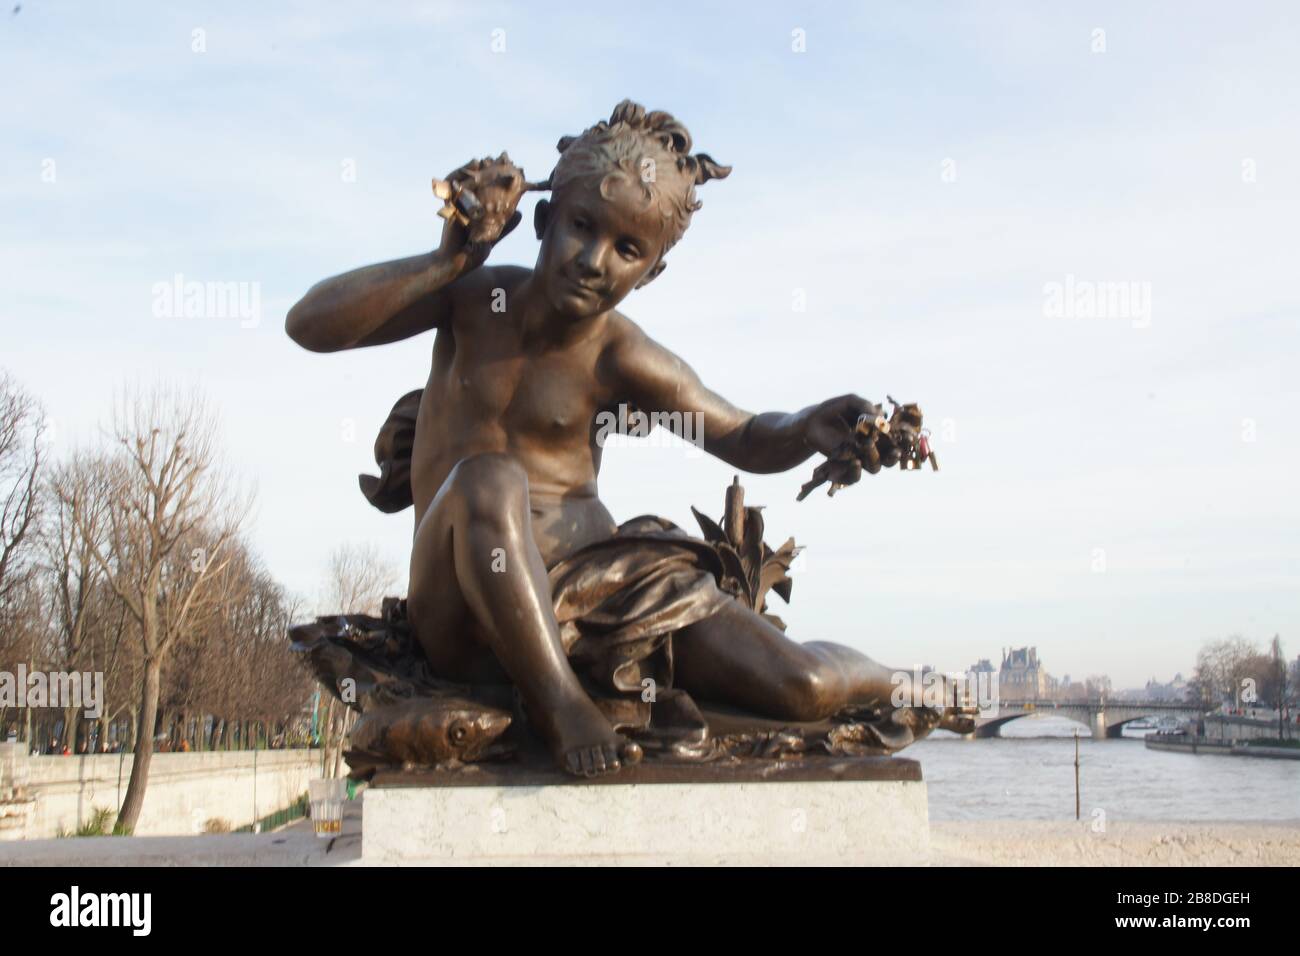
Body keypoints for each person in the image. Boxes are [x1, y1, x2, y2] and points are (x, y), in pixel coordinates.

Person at [287, 100, 966, 777]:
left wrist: (813, 425)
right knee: (488, 478)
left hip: (600, 599)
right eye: (582, 227)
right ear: (546, 221)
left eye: (628, 249)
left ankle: (902, 683)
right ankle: (558, 704)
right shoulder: (476, 301)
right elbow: (309, 324)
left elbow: (745, 435)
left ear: (653, 271)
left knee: (805, 689)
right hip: (465, 605)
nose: (593, 260)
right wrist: (450, 260)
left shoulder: (623, 357)